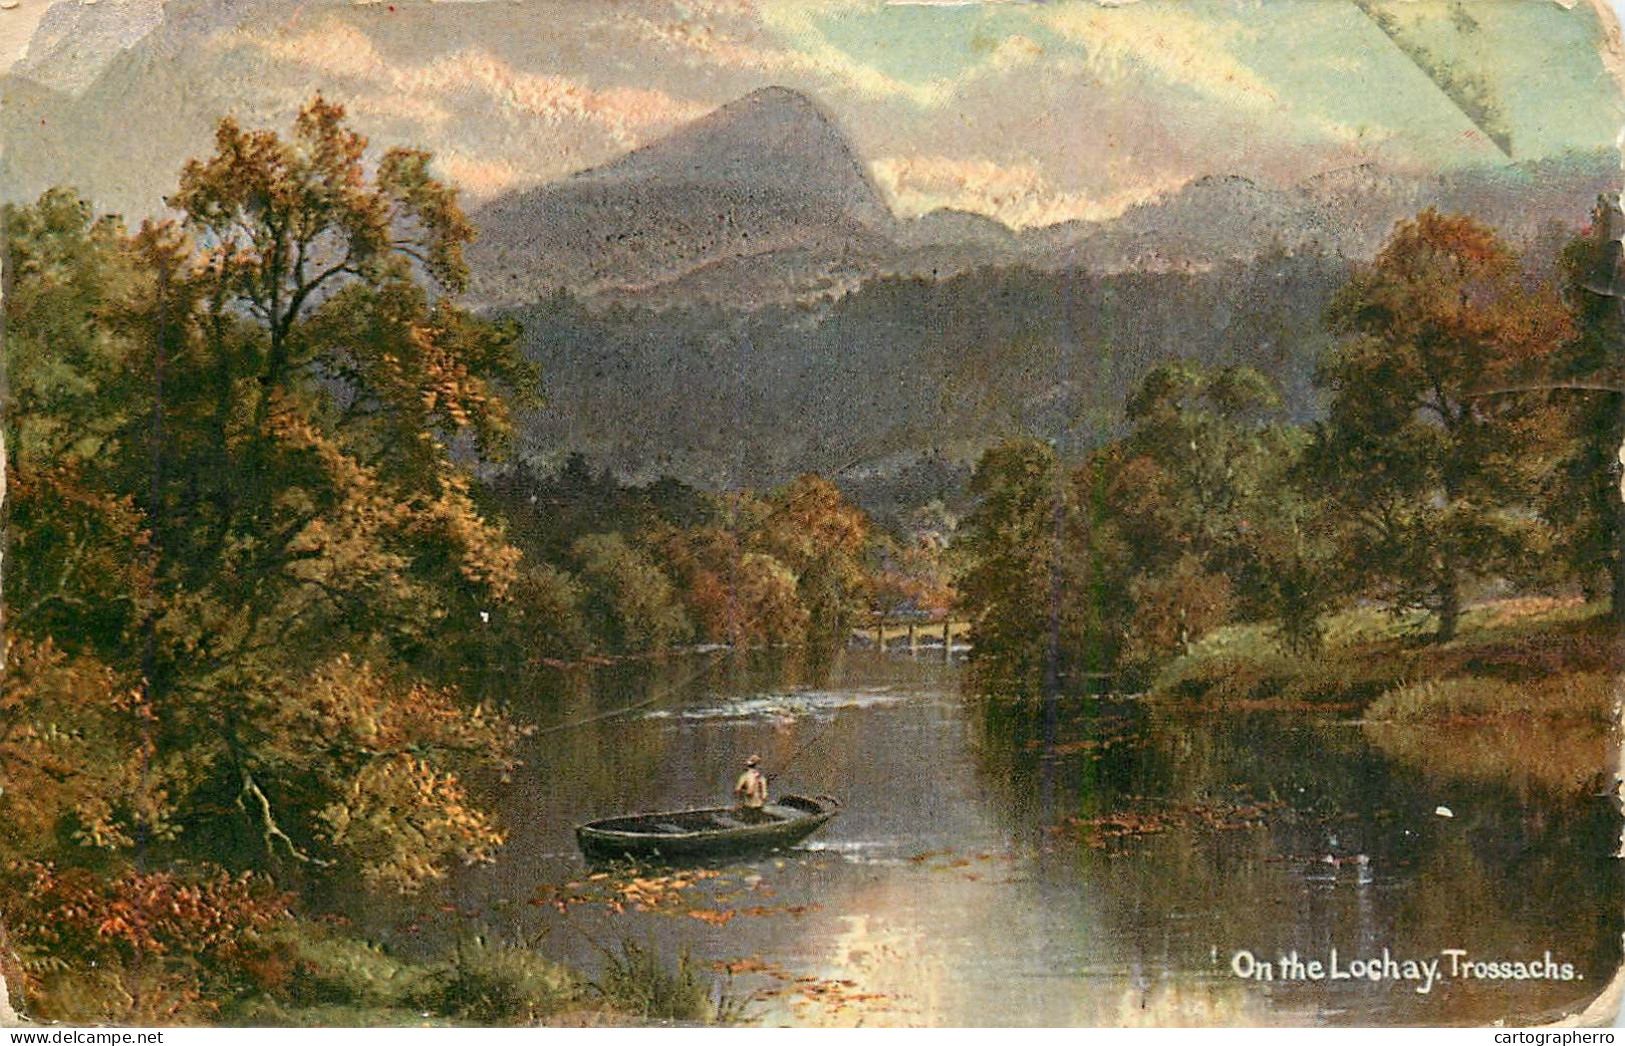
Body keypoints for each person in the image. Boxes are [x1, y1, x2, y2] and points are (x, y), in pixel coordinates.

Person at [733, 754, 769, 820]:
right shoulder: (762, 778)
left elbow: (737, 790)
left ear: (747, 766)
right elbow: (764, 796)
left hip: (748, 807)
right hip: (759, 807)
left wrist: (740, 802)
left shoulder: (744, 776)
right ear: (757, 766)